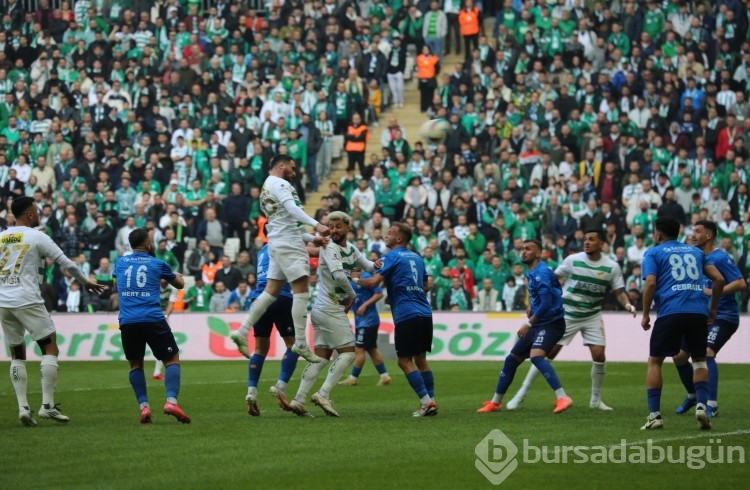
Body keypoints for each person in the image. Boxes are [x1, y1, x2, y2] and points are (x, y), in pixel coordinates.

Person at [1, 196, 106, 426]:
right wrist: (86, 282)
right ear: (29, 214)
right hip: (27, 298)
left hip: (4, 302)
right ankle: (47, 406)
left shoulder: (1, 237)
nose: (38, 213)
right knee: (50, 346)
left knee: (16, 352)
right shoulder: (37, 236)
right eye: (36, 210)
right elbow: (66, 263)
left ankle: (22, 408)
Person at [506, 229, 637, 411]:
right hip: (566, 313)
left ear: (602, 244)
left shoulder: (611, 267)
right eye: (585, 239)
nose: (587, 242)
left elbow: (619, 293)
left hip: (592, 315)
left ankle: (595, 401)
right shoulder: (573, 260)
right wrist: (536, 302)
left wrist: (628, 305)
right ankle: (520, 395)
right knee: (545, 354)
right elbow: (552, 279)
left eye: (592, 239)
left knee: (599, 355)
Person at [229, 154, 329, 363]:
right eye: (292, 168)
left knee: (270, 291)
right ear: (281, 165)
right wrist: (317, 225)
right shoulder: (281, 184)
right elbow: (292, 211)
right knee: (301, 290)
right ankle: (301, 342)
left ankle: (241, 330)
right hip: (289, 244)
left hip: (277, 242)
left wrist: (312, 238)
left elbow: (284, 222)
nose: (294, 173)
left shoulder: (266, 186)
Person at [289, 212, 379, 417]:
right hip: (330, 309)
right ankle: (323, 393)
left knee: (320, 358)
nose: (335, 230)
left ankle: (299, 399)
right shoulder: (329, 247)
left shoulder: (352, 249)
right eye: (331, 226)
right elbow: (338, 275)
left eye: (339, 226)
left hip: (322, 309)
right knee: (349, 353)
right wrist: (353, 294)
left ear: (348, 227)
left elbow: (370, 267)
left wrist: (384, 262)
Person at [639, 218, 725, 431]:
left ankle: (654, 416)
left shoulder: (653, 253)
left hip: (671, 311)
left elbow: (650, 283)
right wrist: (712, 308)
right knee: (699, 360)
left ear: (658, 235)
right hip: (697, 312)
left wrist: (645, 314)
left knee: (655, 361)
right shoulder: (696, 252)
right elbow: (720, 280)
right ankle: (702, 406)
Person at [476, 239, 573, 414]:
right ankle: (495, 402)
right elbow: (543, 298)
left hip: (551, 324)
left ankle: (562, 397)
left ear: (538, 253)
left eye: (528, 249)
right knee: (511, 360)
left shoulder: (541, 273)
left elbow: (546, 303)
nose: (523, 252)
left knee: (536, 357)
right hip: (541, 323)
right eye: (522, 249)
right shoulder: (533, 272)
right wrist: (532, 306)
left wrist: (529, 323)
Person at [356, 223, 438, 417]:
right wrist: (400, 289)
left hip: (407, 313)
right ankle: (432, 400)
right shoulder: (417, 257)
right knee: (421, 359)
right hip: (425, 312)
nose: (386, 236)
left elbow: (374, 282)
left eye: (390, 233)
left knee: (403, 361)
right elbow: (425, 285)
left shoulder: (390, 256)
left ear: (399, 238)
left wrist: (352, 279)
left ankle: (426, 403)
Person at [114, 228, 189, 424]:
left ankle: (144, 407)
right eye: (152, 241)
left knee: (135, 364)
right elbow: (180, 284)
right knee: (172, 360)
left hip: (128, 321)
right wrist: (176, 274)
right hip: (153, 318)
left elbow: (117, 285)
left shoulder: (120, 262)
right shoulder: (157, 263)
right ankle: (171, 401)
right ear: (147, 245)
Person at [672, 220, 746, 418]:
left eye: (697, 231)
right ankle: (694, 395)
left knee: (706, 352)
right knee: (679, 357)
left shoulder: (721, 258)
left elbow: (740, 283)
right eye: (692, 231)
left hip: (724, 316)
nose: (693, 235)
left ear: (709, 235)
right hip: (700, 316)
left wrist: (715, 291)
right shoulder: (693, 257)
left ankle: (711, 403)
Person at [244, 234, 300, 416]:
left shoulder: (261, 251)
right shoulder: (284, 242)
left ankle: (251, 392)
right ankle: (281, 386)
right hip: (280, 296)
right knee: (293, 345)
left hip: (258, 298)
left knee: (260, 349)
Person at [339, 269, 392, 386]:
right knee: (372, 349)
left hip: (368, 321)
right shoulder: (351, 280)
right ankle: (384, 376)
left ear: (358, 269)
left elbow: (379, 293)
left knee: (359, 349)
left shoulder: (367, 277)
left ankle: (353, 378)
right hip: (361, 321)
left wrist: (364, 305)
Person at [416, 45, 440, 113]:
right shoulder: (419, 57)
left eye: (426, 49)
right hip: (422, 78)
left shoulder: (434, 58)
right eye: (424, 49)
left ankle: (430, 108)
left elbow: (437, 68)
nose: (425, 50)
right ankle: (423, 108)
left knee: (430, 94)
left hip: (431, 78)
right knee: (423, 94)